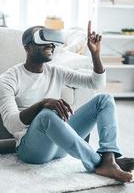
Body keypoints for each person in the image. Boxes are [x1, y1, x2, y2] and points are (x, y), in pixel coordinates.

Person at [0, 21, 134, 183]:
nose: (50, 45)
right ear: (27, 47)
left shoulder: (55, 71)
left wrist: (95, 55)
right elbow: (12, 124)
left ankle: (108, 157)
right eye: (44, 41)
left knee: (104, 99)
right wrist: (42, 104)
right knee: (46, 115)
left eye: (52, 41)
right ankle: (102, 163)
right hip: (32, 150)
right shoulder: (8, 79)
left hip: (60, 145)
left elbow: (96, 83)